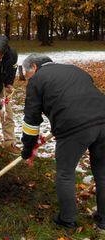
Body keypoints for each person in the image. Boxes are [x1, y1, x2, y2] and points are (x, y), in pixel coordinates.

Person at [21, 53, 105, 230]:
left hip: (73, 127)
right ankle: (104, 219)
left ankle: (67, 220)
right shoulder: (75, 70)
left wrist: (27, 148)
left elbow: (31, 120)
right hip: (103, 119)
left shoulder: (37, 80)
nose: (28, 80)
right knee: (102, 172)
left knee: (65, 173)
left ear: (34, 67)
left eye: (27, 76)